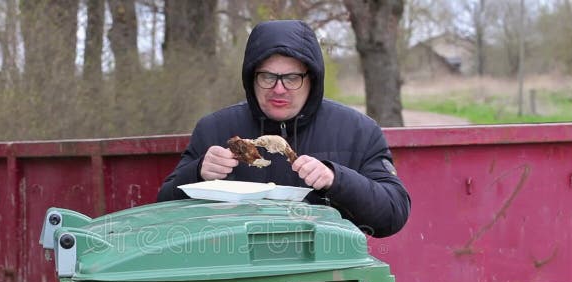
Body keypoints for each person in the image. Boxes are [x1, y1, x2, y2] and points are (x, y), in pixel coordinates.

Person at [157, 20, 410, 238]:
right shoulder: (214, 129)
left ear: (312, 79)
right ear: (250, 78)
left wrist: (336, 180)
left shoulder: (358, 131)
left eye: (292, 78)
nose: (279, 89)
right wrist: (198, 172)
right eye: (267, 76)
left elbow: (392, 214)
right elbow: (163, 208)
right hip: (235, 276)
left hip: (326, 273)